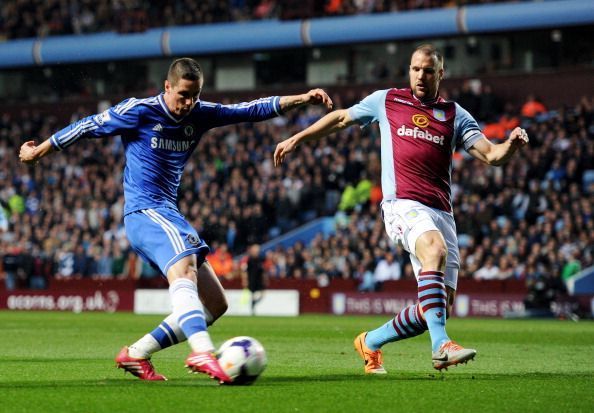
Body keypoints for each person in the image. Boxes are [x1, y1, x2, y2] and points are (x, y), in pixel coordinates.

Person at [19, 57, 333, 383]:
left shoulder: (200, 113)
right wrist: (37, 152)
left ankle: (136, 353)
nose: (188, 103)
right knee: (185, 271)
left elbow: (249, 110)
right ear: (167, 87)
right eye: (183, 95)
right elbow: (86, 126)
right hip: (144, 212)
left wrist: (302, 99)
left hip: (169, 213)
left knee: (215, 302)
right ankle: (202, 351)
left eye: (195, 95)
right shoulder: (138, 110)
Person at [274, 44, 529, 373]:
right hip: (402, 204)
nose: (421, 76)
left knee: (435, 308)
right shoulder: (387, 100)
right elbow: (341, 119)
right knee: (433, 250)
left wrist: (511, 145)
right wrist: (298, 138)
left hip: (441, 212)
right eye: (415, 69)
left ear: (441, 74)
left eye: (428, 70)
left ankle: (371, 341)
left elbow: (491, 156)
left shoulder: (455, 115)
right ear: (409, 71)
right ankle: (441, 346)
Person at [241, 243, 268, 315]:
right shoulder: (248, 260)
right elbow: (244, 270)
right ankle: (252, 308)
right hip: (251, 280)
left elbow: (264, 270)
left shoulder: (261, 259)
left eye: (257, 250)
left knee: (263, 294)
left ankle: (254, 302)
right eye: (255, 250)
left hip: (259, 280)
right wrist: (245, 280)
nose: (257, 251)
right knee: (251, 294)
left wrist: (265, 279)